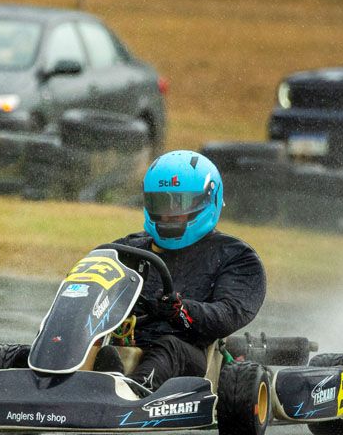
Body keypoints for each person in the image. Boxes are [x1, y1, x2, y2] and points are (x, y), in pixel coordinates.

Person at [95, 150, 266, 390]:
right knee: (78, 341)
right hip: (123, 344)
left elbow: (228, 314)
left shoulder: (235, 257)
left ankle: (132, 391)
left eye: (180, 203)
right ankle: (41, 375)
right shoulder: (125, 249)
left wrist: (182, 310)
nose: (168, 214)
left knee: (168, 347)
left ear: (208, 200)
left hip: (190, 353)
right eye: (160, 203)